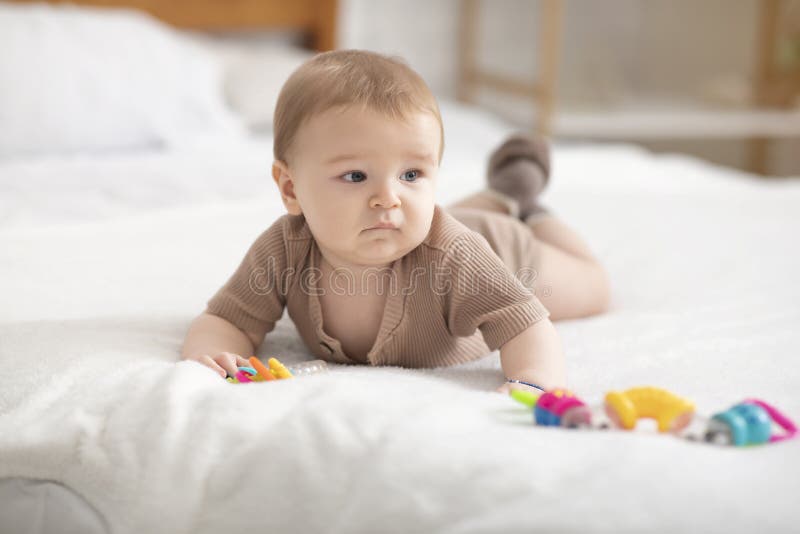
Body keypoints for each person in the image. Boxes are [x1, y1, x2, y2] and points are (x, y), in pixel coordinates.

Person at [180, 49, 610, 394]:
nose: (387, 197)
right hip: (453, 225)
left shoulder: (457, 256)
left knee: (595, 289)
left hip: (505, 249)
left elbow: (526, 323)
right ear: (291, 189)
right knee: (445, 217)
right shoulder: (284, 248)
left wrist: (535, 379)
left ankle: (528, 204)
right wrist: (215, 355)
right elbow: (229, 319)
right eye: (355, 176)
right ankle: (500, 194)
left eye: (412, 175)